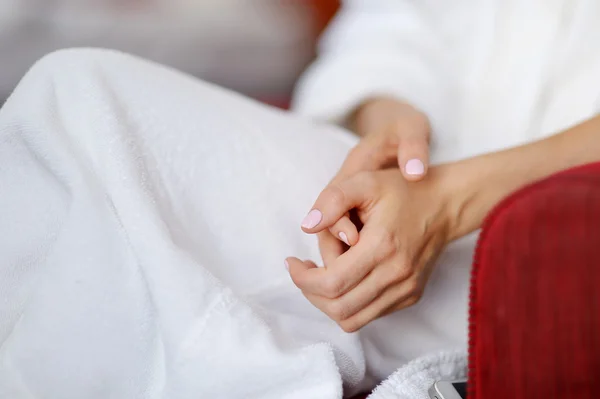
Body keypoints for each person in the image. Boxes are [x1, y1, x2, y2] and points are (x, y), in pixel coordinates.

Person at [0, 1, 599, 398]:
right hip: (406, 178)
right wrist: (391, 123)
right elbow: (393, 25)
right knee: (77, 105)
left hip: (532, 230)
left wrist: (450, 199)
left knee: (86, 106)